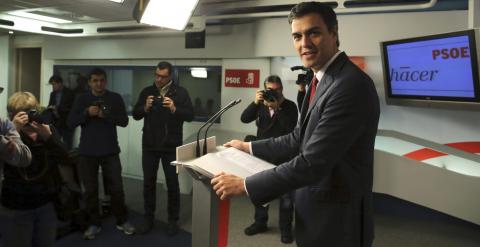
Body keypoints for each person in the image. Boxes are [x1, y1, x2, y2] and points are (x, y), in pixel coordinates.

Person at [211, 2, 380, 247]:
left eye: (314, 32)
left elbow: (312, 162)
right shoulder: (320, 79)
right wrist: (248, 147)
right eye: (297, 36)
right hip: (316, 210)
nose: (305, 43)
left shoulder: (349, 85)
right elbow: (298, 137)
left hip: (337, 221)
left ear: (334, 34)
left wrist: (245, 185)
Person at [67, 68, 135, 240]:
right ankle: (94, 223)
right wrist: (86, 113)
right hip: (87, 152)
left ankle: (122, 219)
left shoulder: (115, 98)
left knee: (117, 189)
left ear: (106, 81)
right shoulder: (82, 99)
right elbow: (70, 122)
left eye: (102, 80)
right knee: (90, 191)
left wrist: (107, 115)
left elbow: (124, 122)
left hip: (110, 150)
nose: (98, 84)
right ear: (89, 82)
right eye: (95, 80)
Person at [1, 92, 70, 247]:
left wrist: (49, 138)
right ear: (12, 115)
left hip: (46, 202)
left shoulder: (46, 130)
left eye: (31, 112)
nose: (27, 118)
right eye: (21, 113)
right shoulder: (6, 134)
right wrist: (13, 131)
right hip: (16, 206)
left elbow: (66, 159)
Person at [132, 61, 194, 235]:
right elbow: (136, 114)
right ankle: (148, 218)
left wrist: (174, 108)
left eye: (163, 76)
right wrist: (145, 107)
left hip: (171, 146)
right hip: (150, 145)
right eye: (157, 75)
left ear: (170, 76)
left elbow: (190, 115)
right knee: (148, 184)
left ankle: (172, 221)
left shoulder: (180, 93)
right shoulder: (147, 91)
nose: (159, 79)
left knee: (173, 185)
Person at [240, 75, 298, 243]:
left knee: (286, 197)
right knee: (260, 192)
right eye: (269, 89)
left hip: (284, 157)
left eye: (276, 89)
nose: (273, 92)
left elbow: (290, 127)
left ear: (281, 89)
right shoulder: (261, 106)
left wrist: (277, 108)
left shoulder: (290, 106)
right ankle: (260, 223)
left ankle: (285, 229)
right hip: (262, 156)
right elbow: (244, 119)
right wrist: (255, 103)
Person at [47, 75, 75, 150]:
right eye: (52, 84)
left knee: (68, 144)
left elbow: (71, 108)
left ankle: (68, 160)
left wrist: (58, 110)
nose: (53, 86)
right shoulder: (53, 94)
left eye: (54, 84)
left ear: (60, 83)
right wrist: (51, 109)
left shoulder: (70, 93)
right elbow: (50, 105)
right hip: (56, 123)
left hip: (67, 123)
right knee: (56, 144)